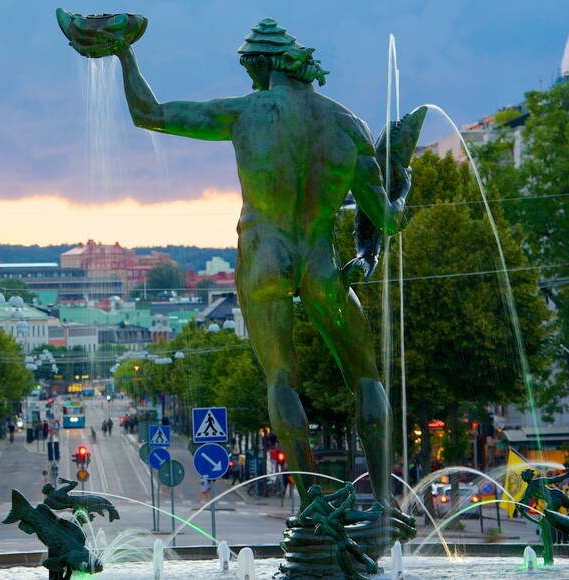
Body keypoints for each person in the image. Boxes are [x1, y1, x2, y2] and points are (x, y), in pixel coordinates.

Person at [86, 17, 418, 509]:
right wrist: (403, 180)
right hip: (322, 262)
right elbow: (388, 221)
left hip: (266, 254)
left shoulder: (246, 112)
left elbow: (149, 114)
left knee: (281, 378)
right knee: (367, 377)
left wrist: (124, 54)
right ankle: (387, 507)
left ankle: (312, 508)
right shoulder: (350, 126)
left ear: (262, 65)